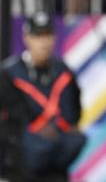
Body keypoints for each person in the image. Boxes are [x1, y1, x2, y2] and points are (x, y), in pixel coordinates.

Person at [1, 12, 86, 182]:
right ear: (26, 38)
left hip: (57, 168)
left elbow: (75, 114)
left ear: (54, 38)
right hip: (20, 169)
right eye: (38, 36)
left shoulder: (64, 72)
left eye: (47, 35)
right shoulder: (9, 74)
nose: (44, 42)